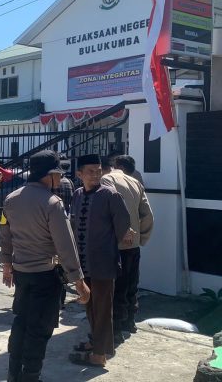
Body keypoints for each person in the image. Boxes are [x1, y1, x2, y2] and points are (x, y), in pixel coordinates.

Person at [0, 151, 89, 382]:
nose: (60, 180)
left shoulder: (11, 199)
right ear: (48, 175)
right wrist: (78, 280)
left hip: (21, 274)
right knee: (39, 329)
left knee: (21, 322)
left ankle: (13, 373)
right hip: (45, 276)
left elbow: (5, 235)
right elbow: (65, 244)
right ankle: (30, 376)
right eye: (58, 175)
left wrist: (7, 265)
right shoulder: (52, 203)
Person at [69, 154, 133, 368]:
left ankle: (99, 355)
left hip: (104, 262)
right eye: (90, 171)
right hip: (83, 263)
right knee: (90, 306)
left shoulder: (110, 195)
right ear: (79, 174)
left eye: (98, 170)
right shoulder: (77, 195)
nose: (96, 175)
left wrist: (110, 241)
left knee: (103, 309)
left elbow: (124, 226)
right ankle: (96, 343)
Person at [101, 155, 154, 340]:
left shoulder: (107, 179)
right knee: (131, 284)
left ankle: (115, 331)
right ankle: (129, 321)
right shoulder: (135, 182)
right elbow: (147, 215)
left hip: (115, 243)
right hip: (133, 245)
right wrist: (141, 237)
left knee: (115, 288)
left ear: (115, 166)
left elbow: (106, 210)